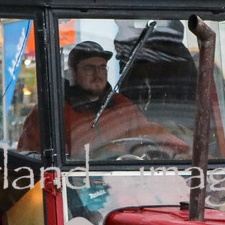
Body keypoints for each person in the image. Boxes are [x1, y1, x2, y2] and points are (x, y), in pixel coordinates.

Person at [17, 41, 188, 158]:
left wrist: (187, 152)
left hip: (119, 184)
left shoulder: (120, 104)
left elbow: (153, 133)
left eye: (102, 68)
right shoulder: (50, 110)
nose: (98, 75)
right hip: (72, 191)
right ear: (72, 72)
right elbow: (28, 155)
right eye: (89, 68)